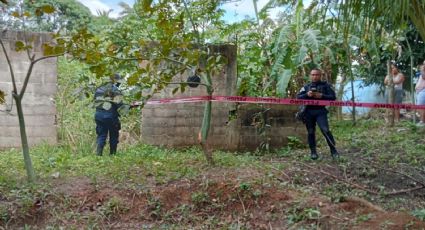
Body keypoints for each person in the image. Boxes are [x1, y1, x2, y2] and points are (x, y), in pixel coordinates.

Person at [296, 68, 339, 160]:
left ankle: (333, 151)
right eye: (313, 75)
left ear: (320, 76)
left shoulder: (326, 86)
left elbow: (333, 97)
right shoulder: (306, 87)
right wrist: (307, 95)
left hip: (320, 112)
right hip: (308, 112)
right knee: (311, 132)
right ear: (310, 76)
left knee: (325, 130)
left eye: (317, 75)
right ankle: (313, 152)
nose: (314, 77)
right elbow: (298, 98)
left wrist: (322, 96)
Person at [94, 73, 124, 156]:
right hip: (111, 117)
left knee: (101, 135)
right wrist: (131, 106)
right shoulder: (115, 90)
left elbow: (95, 102)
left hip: (99, 116)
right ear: (116, 80)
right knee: (113, 136)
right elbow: (120, 105)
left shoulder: (99, 88)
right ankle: (112, 155)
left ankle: (98, 155)